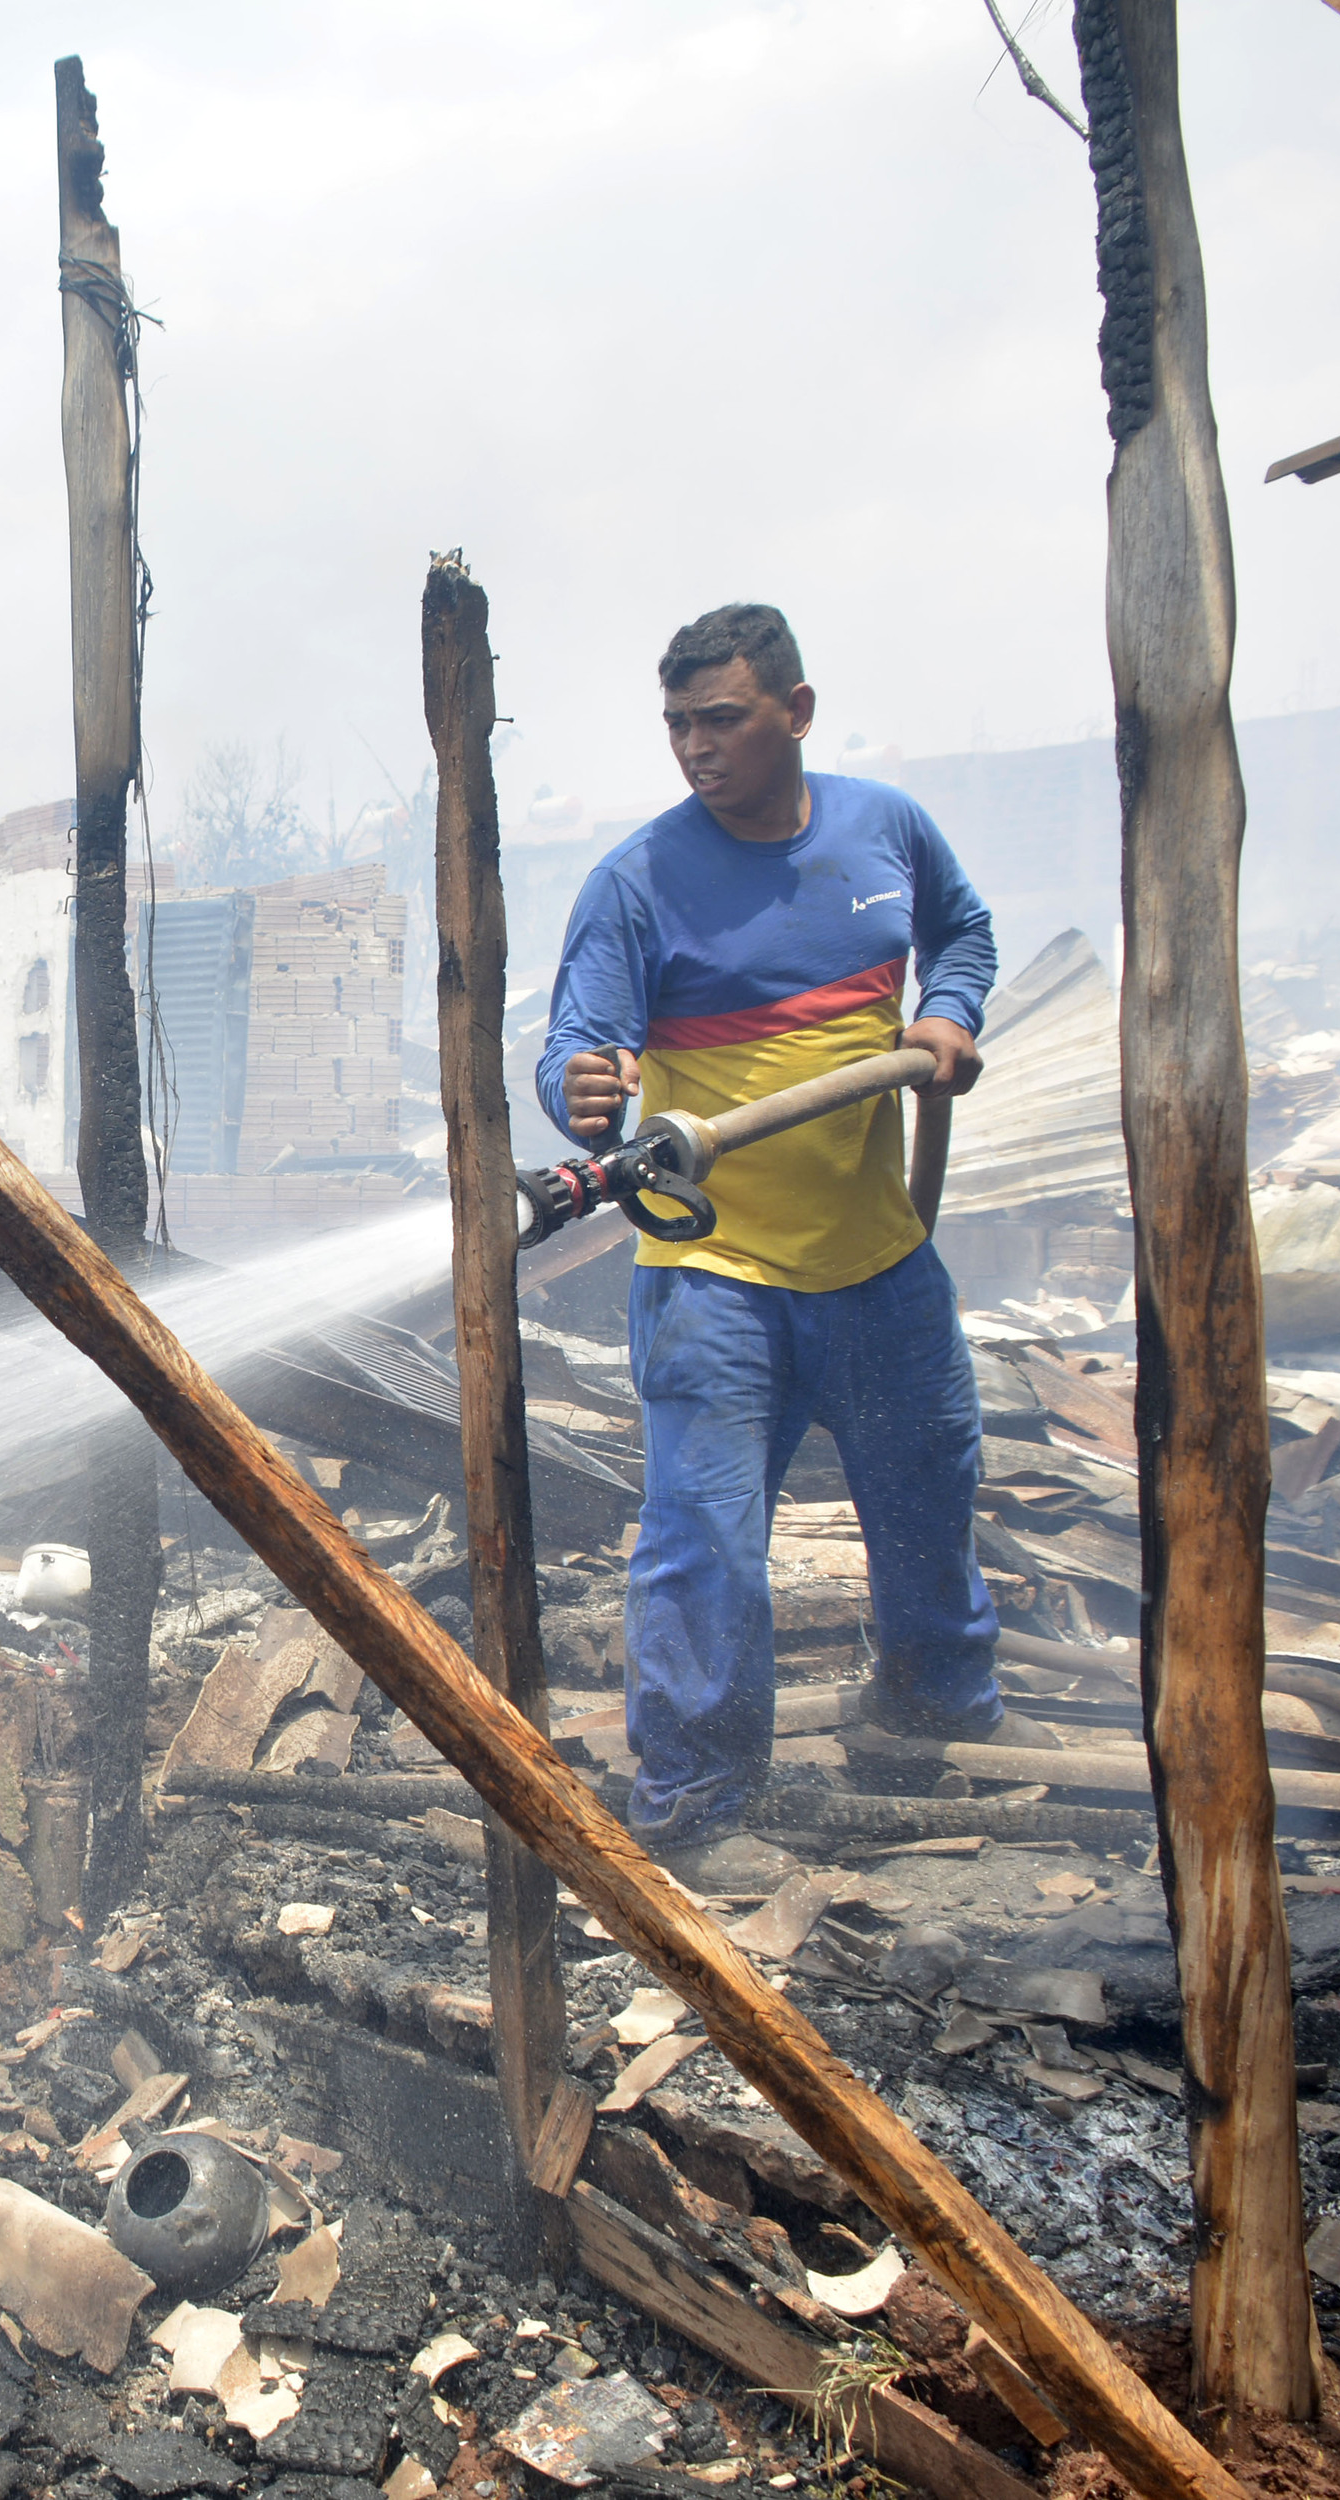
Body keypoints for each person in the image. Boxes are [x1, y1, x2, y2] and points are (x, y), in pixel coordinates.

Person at [535, 603, 1051, 1883]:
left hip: (879, 1259)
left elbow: (964, 933)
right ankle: (695, 1802)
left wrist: (947, 1012)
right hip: (713, 1275)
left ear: (797, 711)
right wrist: (581, 1091)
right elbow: (577, 1042)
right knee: (706, 1543)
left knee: (928, 1493)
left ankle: (934, 1716)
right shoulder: (638, 880)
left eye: (720, 719)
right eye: (676, 725)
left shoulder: (886, 831)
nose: (693, 748)